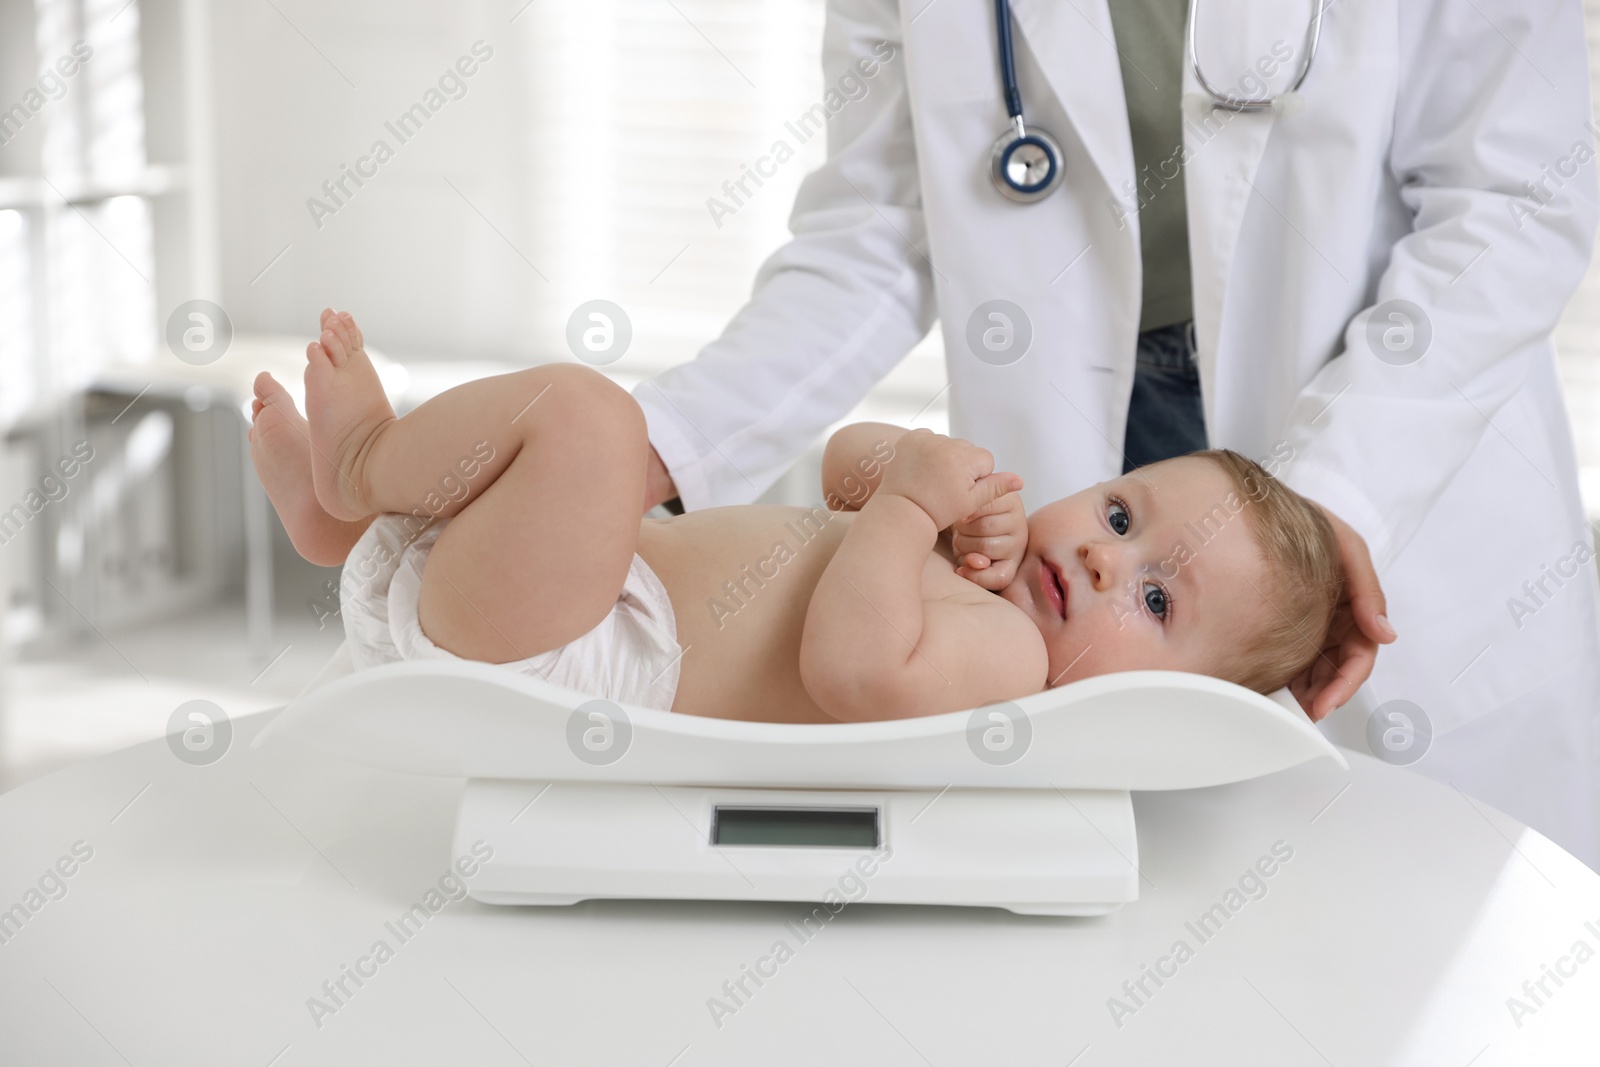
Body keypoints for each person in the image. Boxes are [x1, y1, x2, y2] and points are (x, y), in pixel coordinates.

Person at [630, 0, 1600, 865]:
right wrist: (664, 441)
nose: (1104, 563)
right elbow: (878, 229)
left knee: (1420, 956)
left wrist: (1330, 500)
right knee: (1115, 927)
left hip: (1383, 433)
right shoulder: (1048, 556)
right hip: (1081, 438)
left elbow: (1516, 198)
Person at [247, 310, 1342, 724]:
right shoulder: (982, 561)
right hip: (582, 592)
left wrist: (913, 507)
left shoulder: (1007, 661)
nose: (1106, 562)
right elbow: (839, 472)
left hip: (584, 655)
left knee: (587, 422)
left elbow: (852, 670)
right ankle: (352, 528)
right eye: (1118, 512)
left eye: (1156, 596)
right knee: (575, 459)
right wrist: (903, 473)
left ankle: (363, 464)